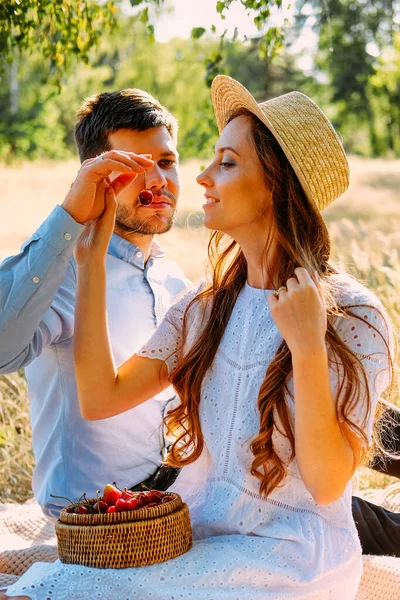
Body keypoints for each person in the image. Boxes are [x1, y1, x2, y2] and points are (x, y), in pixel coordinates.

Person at [2, 75, 395, 600]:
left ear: (277, 184)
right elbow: (100, 398)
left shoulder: (353, 313)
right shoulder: (204, 305)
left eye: (226, 162)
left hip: (290, 557)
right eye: (209, 159)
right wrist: (89, 262)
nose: (201, 177)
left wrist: (305, 345)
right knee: (38, 588)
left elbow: (327, 486)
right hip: (204, 535)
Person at [0, 89, 188, 519]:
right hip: (88, 522)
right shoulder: (61, 274)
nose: (157, 180)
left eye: (165, 161)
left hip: (167, 507)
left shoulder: (174, 277)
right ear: (98, 173)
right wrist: (70, 214)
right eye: (132, 167)